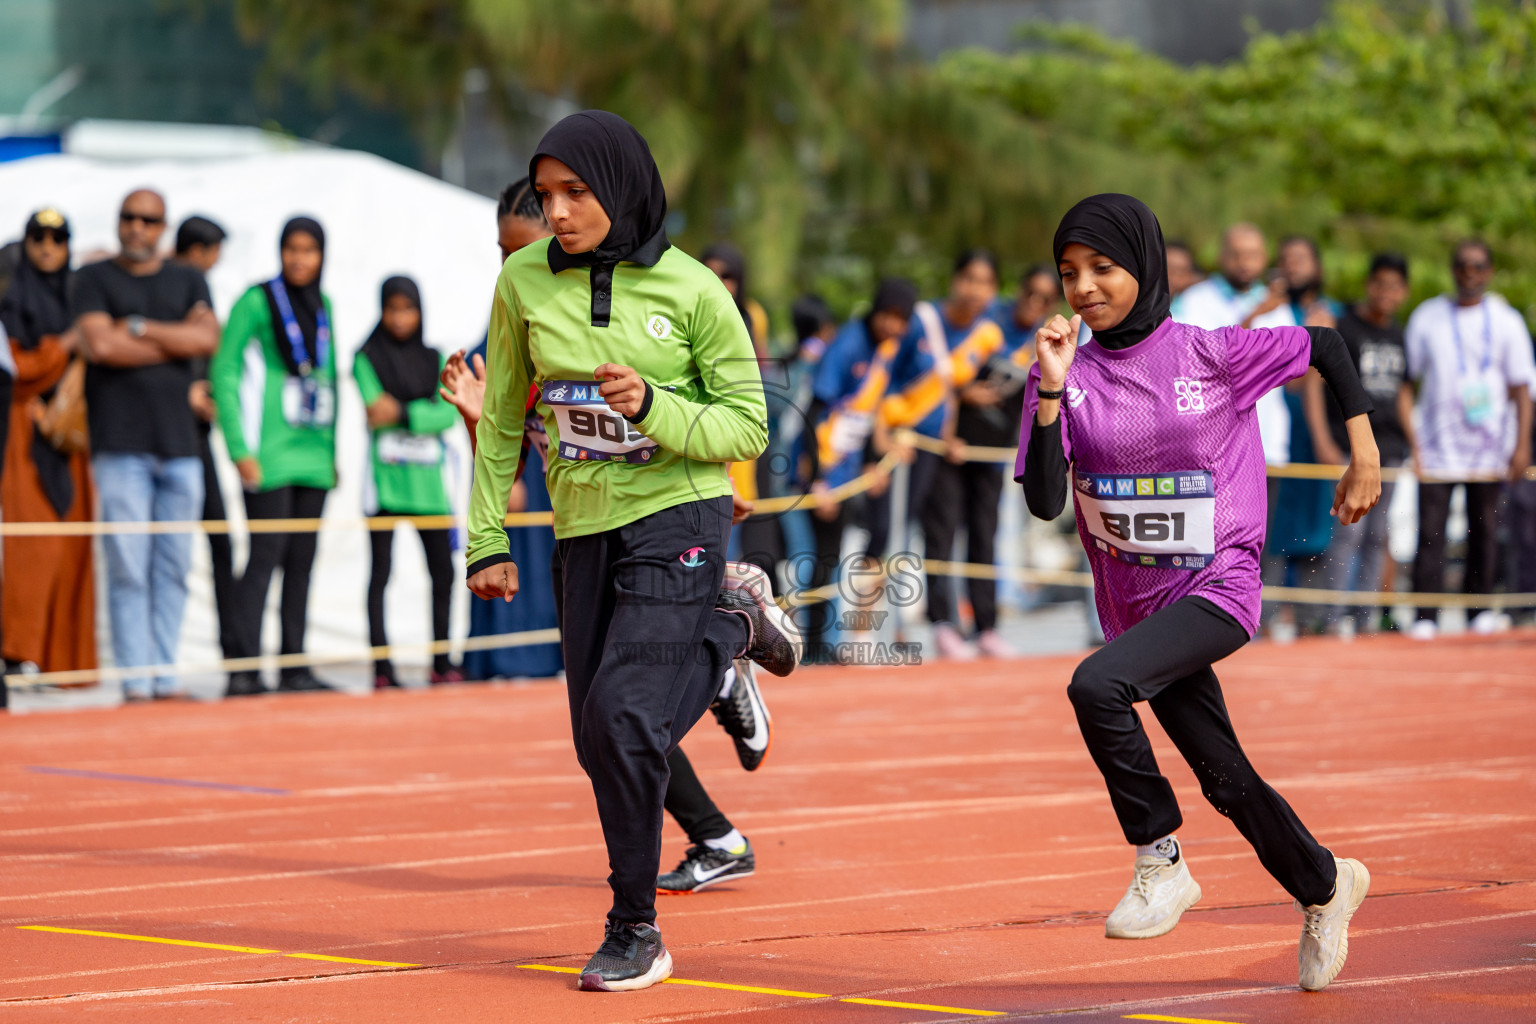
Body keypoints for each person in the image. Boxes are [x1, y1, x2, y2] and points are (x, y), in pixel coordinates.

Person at [464, 110, 799, 992]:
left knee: (623, 717)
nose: (559, 213)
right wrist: (487, 539)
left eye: (576, 193)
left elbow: (749, 425)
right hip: (581, 529)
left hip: (678, 519)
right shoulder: (522, 284)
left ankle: (634, 927)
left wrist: (653, 406)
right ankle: (732, 635)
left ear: (622, 186)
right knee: (596, 738)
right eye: (546, 196)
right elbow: (503, 414)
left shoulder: (692, 290)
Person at [1018, 194, 1379, 992]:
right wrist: (1047, 389)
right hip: (1137, 608)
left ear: (1142, 267)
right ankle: (1323, 884)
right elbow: (1044, 500)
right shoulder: (1063, 371)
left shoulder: (1211, 351)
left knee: (1095, 684)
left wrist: (1364, 450)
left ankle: (1160, 858)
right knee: (1226, 775)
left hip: (1220, 583)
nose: (1083, 288)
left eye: (1102, 269)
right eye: (1069, 272)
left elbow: (1325, 343)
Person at [72, 190, 218, 701]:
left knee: (174, 565)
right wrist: (173, 340)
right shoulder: (91, 278)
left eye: (149, 220)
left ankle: (164, 678)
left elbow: (207, 341)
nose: (138, 227)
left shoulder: (188, 277)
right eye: (129, 218)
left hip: (180, 446)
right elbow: (101, 346)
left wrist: (136, 328)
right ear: (118, 222)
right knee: (129, 564)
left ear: (163, 226)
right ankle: (136, 682)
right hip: (120, 445)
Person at [210, 217, 338, 696]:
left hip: (313, 459)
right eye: (291, 248)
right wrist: (239, 449)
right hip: (268, 457)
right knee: (263, 558)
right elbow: (224, 370)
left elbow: (328, 383)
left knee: (301, 563)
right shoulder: (255, 300)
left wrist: (330, 455)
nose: (299, 259)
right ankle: (242, 667)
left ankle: (293, 665)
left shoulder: (325, 305)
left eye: (309, 250)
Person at [460, 177, 564, 681]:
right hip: (543, 483)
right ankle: (510, 660)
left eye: (520, 249)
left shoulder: (601, 303)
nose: (509, 265)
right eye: (503, 251)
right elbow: (498, 433)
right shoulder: (508, 308)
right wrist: (475, 419)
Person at [1404, 240, 1534, 638]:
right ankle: (1426, 616)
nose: (1469, 273)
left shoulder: (1507, 319)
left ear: (1489, 271)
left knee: (1485, 533)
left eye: (1478, 266)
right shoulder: (1428, 317)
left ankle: (1478, 611)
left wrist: (1521, 445)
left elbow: (1521, 389)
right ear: (1452, 270)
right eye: (1462, 265)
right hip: (1437, 447)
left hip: (1490, 448)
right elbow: (1407, 384)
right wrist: (1414, 443)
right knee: (1431, 533)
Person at [0, 208, 96, 678]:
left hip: (69, 436)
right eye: (38, 237)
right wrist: (63, 346)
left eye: (58, 239)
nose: (47, 247)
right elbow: (15, 367)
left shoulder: (77, 297)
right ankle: (18, 653)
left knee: (71, 544)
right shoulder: (12, 300)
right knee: (32, 547)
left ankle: (61, 660)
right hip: (21, 434)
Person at [802, 279, 919, 662]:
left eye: (902, 320)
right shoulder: (847, 344)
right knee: (824, 556)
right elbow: (816, 410)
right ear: (876, 311)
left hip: (856, 468)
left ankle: (853, 636)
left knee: (877, 535)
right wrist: (817, 480)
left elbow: (868, 414)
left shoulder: (886, 351)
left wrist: (872, 461)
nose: (894, 326)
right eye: (890, 316)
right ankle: (815, 648)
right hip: (826, 467)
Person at [354, 276, 462, 688]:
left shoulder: (434, 358)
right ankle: (382, 668)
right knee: (381, 573)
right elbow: (371, 405)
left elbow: (447, 414)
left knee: (442, 575)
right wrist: (421, 412)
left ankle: (440, 661)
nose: (400, 318)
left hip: (429, 490)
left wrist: (398, 413)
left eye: (408, 308)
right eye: (392, 308)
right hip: (384, 485)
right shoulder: (365, 357)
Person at [1302, 253, 1415, 634]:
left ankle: (1365, 620)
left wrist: (1417, 443)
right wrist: (1321, 438)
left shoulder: (1399, 333)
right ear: (1368, 285)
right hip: (1348, 445)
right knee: (1347, 531)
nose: (1386, 293)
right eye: (1380, 284)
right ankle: (1332, 619)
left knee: (1378, 535)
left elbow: (1402, 391)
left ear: (1404, 292)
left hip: (1390, 450)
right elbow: (1315, 384)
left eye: (1395, 287)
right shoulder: (1345, 327)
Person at [915, 250, 1007, 660]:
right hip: (939, 449)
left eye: (985, 282)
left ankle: (986, 627)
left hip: (985, 449)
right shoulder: (927, 324)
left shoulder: (992, 332)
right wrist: (959, 395)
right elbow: (909, 383)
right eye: (969, 278)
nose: (975, 290)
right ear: (954, 280)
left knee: (985, 535)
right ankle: (943, 625)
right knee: (942, 533)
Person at [173, 214, 237, 662]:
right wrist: (186, 392)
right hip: (169, 438)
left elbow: (208, 345)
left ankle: (236, 653)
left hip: (197, 436)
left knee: (219, 540)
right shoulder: (179, 284)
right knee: (168, 547)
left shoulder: (194, 286)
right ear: (198, 252)